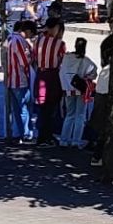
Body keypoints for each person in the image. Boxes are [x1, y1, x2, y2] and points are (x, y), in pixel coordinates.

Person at [31, 18, 67, 146]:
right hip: (53, 76)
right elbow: (63, 62)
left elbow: (33, 57)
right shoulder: (60, 44)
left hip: (41, 74)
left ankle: (42, 135)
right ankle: (48, 135)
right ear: (55, 28)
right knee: (51, 106)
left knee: (42, 106)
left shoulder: (38, 41)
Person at [58, 36, 98, 147]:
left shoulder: (66, 58)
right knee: (80, 115)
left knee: (69, 114)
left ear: (75, 45)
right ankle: (76, 141)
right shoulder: (86, 61)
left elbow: (61, 71)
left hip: (68, 89)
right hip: (81, 90)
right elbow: (94, 73)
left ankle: (64, 140)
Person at [3, 20, 36, 142]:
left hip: (11, 79)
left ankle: (18, 133)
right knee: (24, 108)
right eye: (31, 34)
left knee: (17, 109)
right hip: (20, 79)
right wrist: (31, 54)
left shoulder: (10, 38)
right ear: (27, 31)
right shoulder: (20, 41)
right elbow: (25, 61)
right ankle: (26, 133)